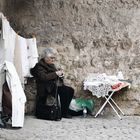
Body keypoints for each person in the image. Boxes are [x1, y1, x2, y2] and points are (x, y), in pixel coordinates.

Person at [30, 47, 74, 119]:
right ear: (45, 58)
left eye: (54, 58)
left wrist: (60, 75)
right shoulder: (39, 66)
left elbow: (54, 75)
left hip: (53, 86)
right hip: (45, 87)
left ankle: (64, 111)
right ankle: (63, 112)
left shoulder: (51, 65)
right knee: (65, 91)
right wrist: (56, 74)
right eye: (51, 58)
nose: (53, 60)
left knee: (69, 90)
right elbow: (43, 77)